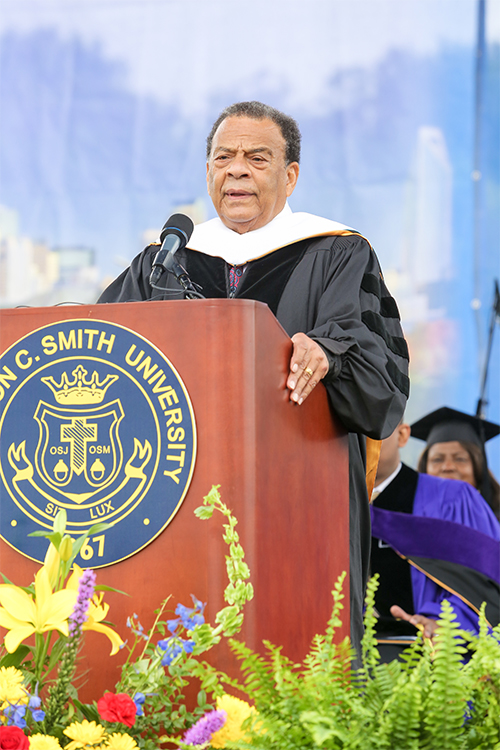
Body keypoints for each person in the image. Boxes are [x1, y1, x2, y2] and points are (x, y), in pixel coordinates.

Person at [98, 101, 410, 657]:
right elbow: (104, 356)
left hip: (296, 504)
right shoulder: (162, 263)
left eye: (256, 157)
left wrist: (332, 350)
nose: (236, 169)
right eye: (224, 156)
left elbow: (380, 386)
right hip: (175, 502)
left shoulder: (339, 253)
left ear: (290, 176)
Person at [370, 421, 500, 660]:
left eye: (371, 427)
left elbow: (485, 578)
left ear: (402, 435)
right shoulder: (327, 504)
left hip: (435, 665)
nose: (360, 439)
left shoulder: (456, 498)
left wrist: (442, 623)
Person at [411, 406, 500, 520]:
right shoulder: (407, 516)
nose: (448, 467)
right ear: (424, 468)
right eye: (437, 459)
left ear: (478, 468)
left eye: (460, 459)